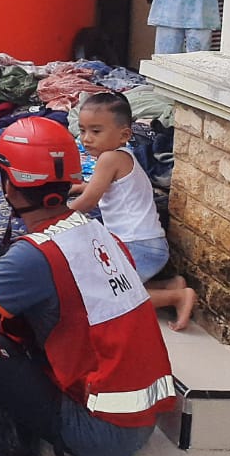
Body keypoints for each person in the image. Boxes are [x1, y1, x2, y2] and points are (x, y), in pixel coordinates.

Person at [0, 116, 177, 456]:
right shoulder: (95, 231)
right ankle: (9, 442)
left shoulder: (36, 255)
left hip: (99, 432)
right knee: (3, 325)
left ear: (9, 185)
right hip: (135, 419)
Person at [68, 92, 198, 331]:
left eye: (96, 131)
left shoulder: (109, 159)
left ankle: (177, 297)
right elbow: (99, 188)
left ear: (124, 135)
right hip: (145, 243)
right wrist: (77, 187)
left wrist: (58, 218)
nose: (86, 139)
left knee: (110, 294)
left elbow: (89, 201)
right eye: (83, 130)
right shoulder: (121, 156)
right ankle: (170, 285)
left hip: (139, 246)